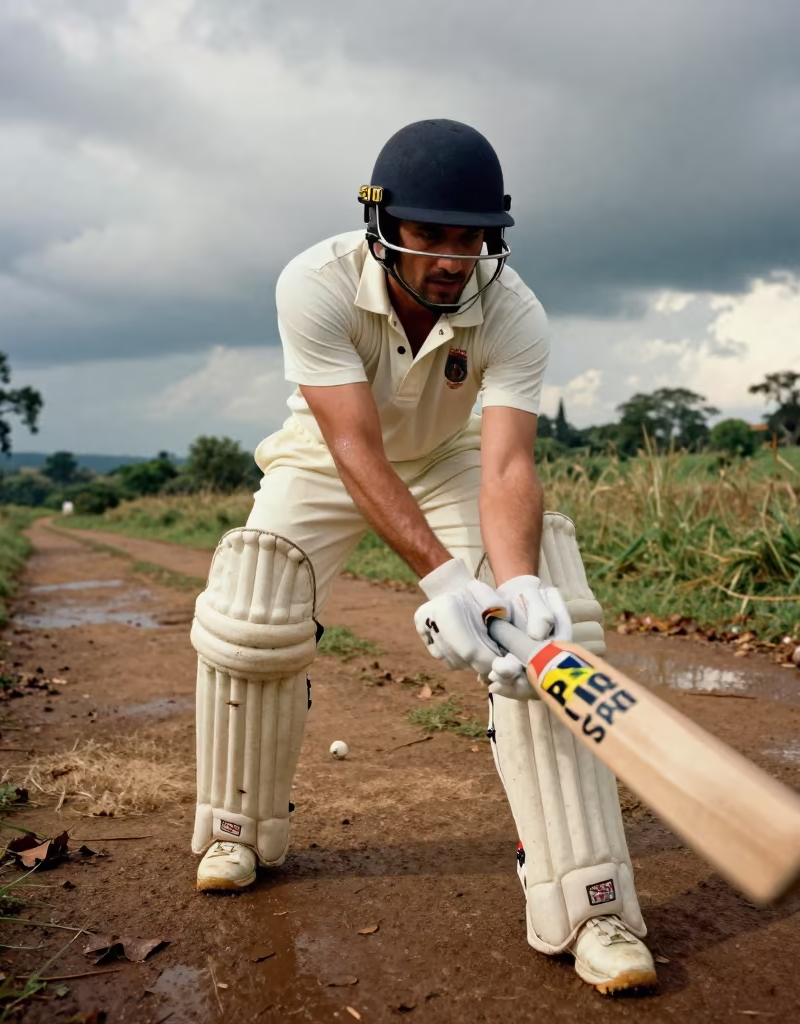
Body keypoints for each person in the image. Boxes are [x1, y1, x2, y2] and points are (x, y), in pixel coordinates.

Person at [188, 119, 656, 994]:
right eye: (430, 234)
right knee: (254, 604)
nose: (453, 257)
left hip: (450, 455)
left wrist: (512, 583)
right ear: (381, 226)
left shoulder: (513, 309)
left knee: (548, 627)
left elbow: (508, 461)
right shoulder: (314, 283)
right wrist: (443, 582)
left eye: (471, 237)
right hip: (327, 456)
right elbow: (354, 447)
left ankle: (591, 904)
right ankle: (233, 830)